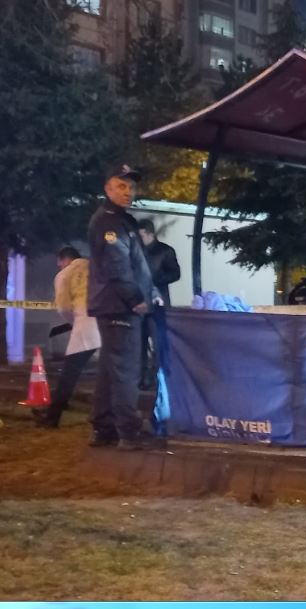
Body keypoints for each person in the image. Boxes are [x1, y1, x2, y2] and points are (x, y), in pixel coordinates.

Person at [87, 163, 159, 450]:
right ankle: (128, 433)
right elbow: (117, 265)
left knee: (109, 370)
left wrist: (149, 291)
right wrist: (136, 298)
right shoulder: (109, 222)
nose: (128, 191)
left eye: (131, 187)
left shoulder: (120, 220)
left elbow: (133, 264)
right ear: (107, 189)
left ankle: (104, 428)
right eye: (121, 186)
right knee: (126, 370)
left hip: (114, 305)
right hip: (120, 307)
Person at [32, 247, 101, 428]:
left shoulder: (65, 274)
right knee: (109, 373)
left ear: (65, 260)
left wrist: (74, 322)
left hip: (85, 326)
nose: (59, 266)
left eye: (59, 263)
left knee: (69, 373)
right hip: (107, 324)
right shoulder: (96, 268)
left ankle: (52, 416)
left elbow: (63, 308)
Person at [136, 219, 180, 389]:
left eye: (141, 235)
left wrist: (155, 280)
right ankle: (142, 378)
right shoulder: (137, 251)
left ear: (150, 234)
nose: (139, 239)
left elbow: (175, 273)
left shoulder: (165, 251)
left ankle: (157, 378)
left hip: (158, 304)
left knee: (158, 343)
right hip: (140, 303)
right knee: (140, 343)